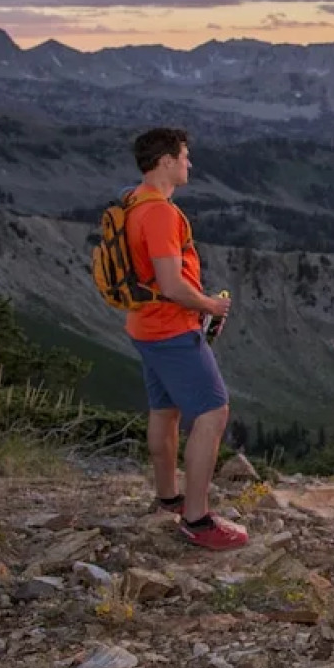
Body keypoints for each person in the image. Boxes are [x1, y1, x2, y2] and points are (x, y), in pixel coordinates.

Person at [124, 127, 247, 550]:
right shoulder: (159, 212)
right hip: (171, 328)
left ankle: (168, 497)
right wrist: (210, 306)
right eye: (184, 156)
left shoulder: (133, 200)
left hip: (145, 325)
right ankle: (197, 519)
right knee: (213, 412)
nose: (189, 164)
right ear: (166, 162)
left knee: (165, 410)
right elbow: (172, 283)